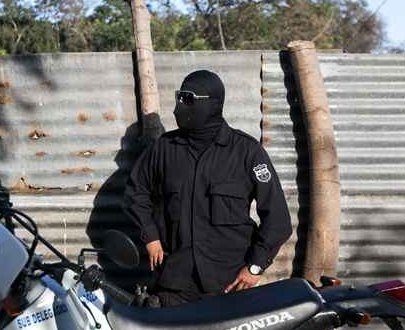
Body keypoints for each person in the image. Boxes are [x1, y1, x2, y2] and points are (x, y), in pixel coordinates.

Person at [123, 69, 293, 306]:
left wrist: (255, 267)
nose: (179, 107)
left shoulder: (246, 152)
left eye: (188, 99)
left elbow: (278, 220)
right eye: (179, 97)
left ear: (212, 104)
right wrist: (150, 236)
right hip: (175, 284)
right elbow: (135, 193)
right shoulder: (164, 149)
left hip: (229, 285)